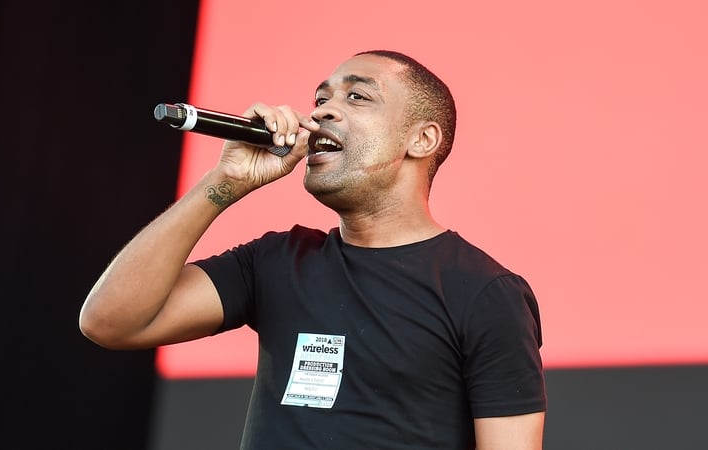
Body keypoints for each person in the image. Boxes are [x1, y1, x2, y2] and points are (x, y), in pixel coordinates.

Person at [79, 50, 547, 449]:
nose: (321, 112)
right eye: (320, 99)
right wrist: (223, 183)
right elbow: (110, 321)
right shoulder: (277, 260)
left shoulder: (486, 293)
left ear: (421, 140)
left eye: (356, 96)